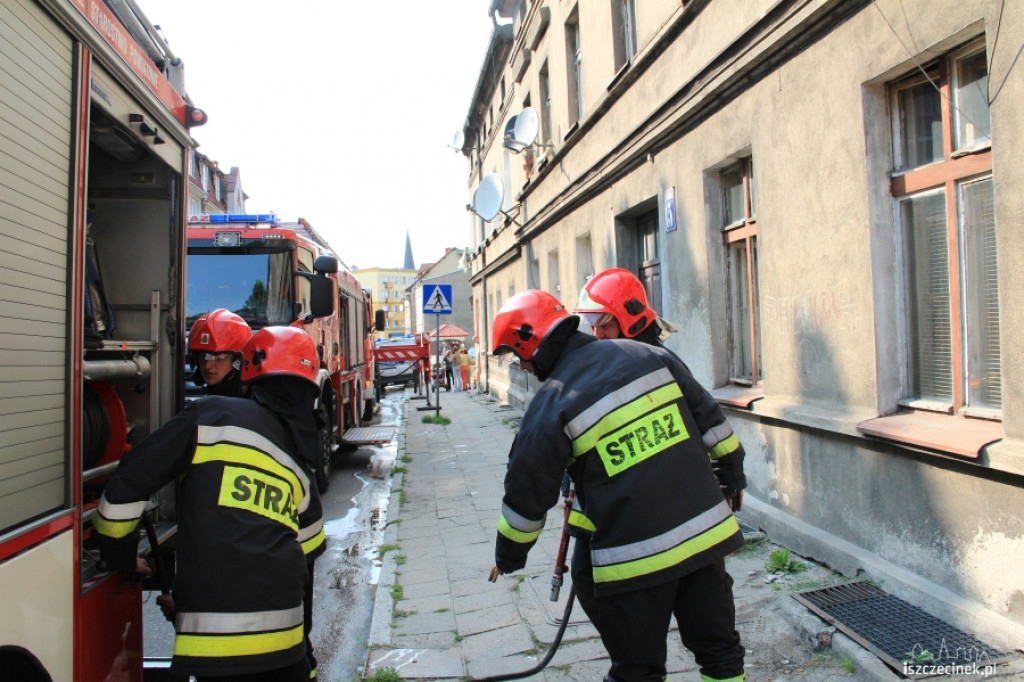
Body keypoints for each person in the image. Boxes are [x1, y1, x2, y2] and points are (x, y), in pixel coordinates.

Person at [487, 290, 746, 682]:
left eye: (518, 354)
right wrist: (732, 475)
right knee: (720, 653)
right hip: (703, 539)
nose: (521, 365)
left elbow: (526, 498)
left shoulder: (551, 405)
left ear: (531, 342)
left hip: (637, 560)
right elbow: (713, 423)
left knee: (636, 671)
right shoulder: (649, 356)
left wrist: (508, 557)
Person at [93, 326, 326, 682]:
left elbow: (125, 487)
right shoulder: (299, 463)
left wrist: (121, 555)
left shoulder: (209, 416)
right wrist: (302, 653)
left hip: (215, 650)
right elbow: (305, 561)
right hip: (287, 647)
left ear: (246, 375)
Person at [569, 268, 748, 634]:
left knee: (704, 617)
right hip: (609, 502)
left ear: (630, 320)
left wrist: (731, 480)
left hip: (667, 503)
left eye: (604, 324)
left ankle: (639, 657)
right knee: (586, 580)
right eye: (592, 324)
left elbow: (711, 424)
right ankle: (632, 654)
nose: (595, 334)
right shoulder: (598, 365)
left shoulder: (662, 363)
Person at [188, 308, 252, 397]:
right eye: (203, 356)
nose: (207, 365)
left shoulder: (252, 407)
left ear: (238, 361)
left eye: (218, 357)